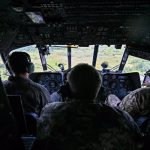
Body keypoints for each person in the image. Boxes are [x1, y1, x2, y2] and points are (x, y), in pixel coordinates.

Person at [36, 63, 142, 150]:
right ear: (100, 91)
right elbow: (137, 142)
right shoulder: (122, 117)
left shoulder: (50, 112)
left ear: (67, 89)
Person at [3, 51, 51, 116]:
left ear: (8, 67)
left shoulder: (2, 89)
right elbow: (49, 113)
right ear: (29, 67)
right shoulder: (39, 90)